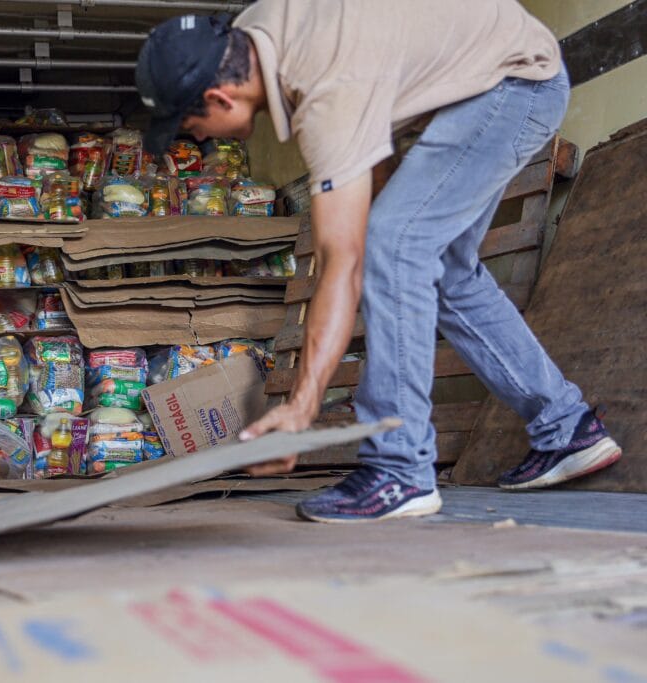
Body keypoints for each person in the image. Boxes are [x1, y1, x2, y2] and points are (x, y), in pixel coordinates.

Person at [135, 0, 622, 523]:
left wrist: (302, 406)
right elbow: (375, 134)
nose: (201, 137)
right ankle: (565, 428)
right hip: (486, 82)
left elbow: (342, 262)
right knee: (440, 266)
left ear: (218, 95)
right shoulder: (257, 34)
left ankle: (399, 468)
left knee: (395, 244)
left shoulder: (322, 83)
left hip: (513, 83)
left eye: (191, 124)